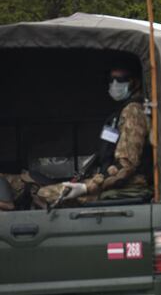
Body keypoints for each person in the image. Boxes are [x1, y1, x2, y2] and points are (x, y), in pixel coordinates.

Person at [31, 63, 152, 208]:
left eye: (121, 79)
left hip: (125, 185)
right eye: (111, 79)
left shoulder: (133, 111)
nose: (114, 84)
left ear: (136, 82)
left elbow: (126, 165)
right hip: (108, 181)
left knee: (44, 193)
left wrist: (87, 187)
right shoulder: (120, 112)